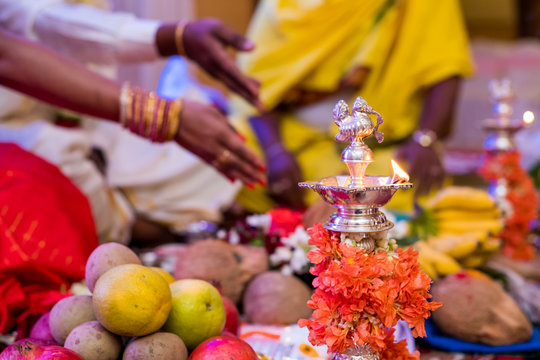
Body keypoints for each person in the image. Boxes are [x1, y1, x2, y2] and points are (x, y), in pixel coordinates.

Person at [0, 0, 266, 243]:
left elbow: (39, 18)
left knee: (199, 148)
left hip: (78, 108)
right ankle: (152, 238)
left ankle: (175, 227)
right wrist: (162, 116)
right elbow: (11, 49)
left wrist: (179, 38)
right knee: (58, 155)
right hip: (15, 126)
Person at [233, 0, 473, 214]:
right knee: (230, 152)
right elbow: (255, 85)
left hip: (381, 150)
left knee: (412, 184)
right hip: (293, 144)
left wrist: (425, 139)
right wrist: (275, 151)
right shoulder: (282, 5)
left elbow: (446, 68)